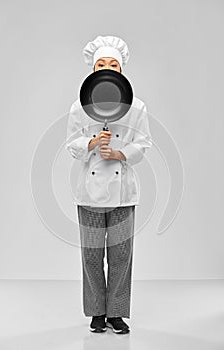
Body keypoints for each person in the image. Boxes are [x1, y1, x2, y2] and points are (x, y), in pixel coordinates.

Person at [65, 35, 153, 334]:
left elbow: (144, 143)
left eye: (113, 63)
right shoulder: (80, 105)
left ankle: (116, 313)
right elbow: (71, 144)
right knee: (91, 255)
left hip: (124, 192)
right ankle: (96, 313)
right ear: (93, 69)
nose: (107, 67)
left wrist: (119, 153)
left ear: (121, 69)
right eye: (101, 63)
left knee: (121, 255)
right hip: (88, 193)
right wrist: (91, 142)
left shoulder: (136, 106)